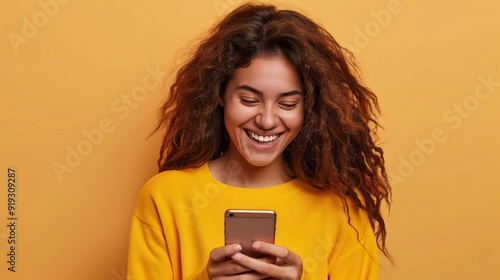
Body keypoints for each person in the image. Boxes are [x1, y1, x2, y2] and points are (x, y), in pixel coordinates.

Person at [127, 3, 392, 279]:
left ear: (309, 108)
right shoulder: (166, 197)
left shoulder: (343, 208)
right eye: (249, 100)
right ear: (219, 95)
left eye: (288, 104)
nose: (266, 120)